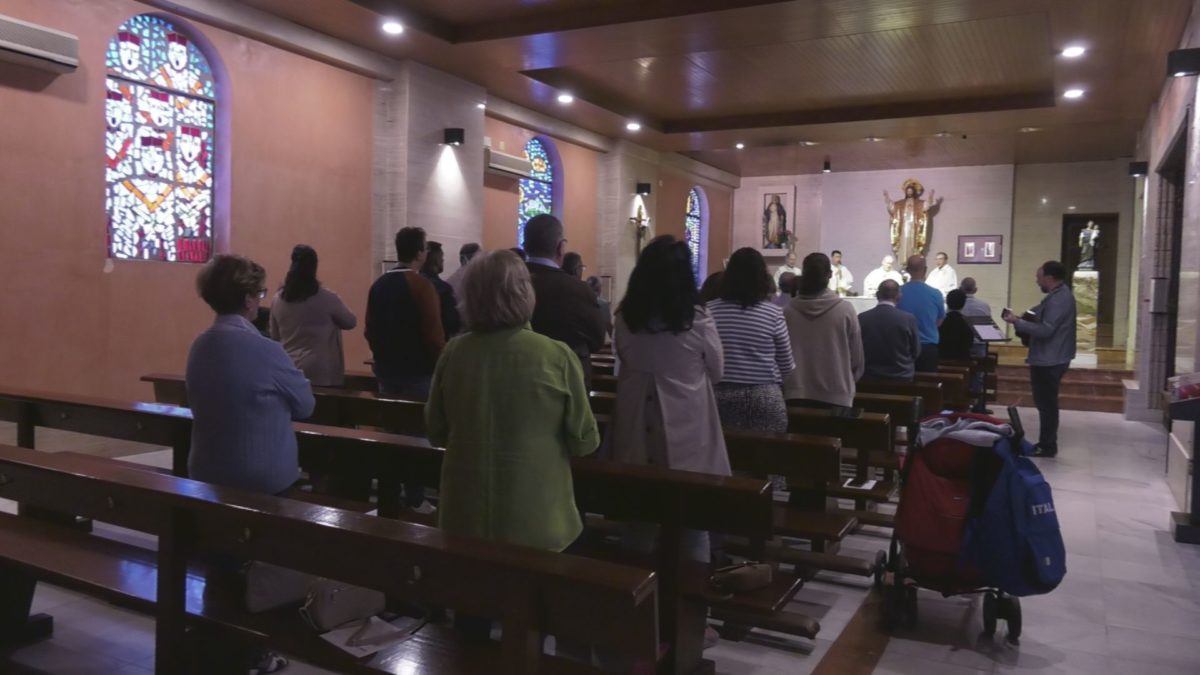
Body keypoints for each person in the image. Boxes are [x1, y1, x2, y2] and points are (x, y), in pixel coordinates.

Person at [425, 250, 599, 640]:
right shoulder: (556, 355)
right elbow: (585, 441)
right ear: (524, 294)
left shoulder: (454, 353)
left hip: (465, 516)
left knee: (471, 620)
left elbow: (435, 431)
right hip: (538, 521)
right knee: (529, 625)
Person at [187, 254, 315, 675]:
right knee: (266, 574)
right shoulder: (264, 350)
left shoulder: (200, 345)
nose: (260, 301)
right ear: (246, 298)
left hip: (209, 472)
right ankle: (255, 651)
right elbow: (307, 405)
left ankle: (213, 647)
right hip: (262, 478)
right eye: (259, 294)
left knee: (220, 566)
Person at [607, 235, 728, 561]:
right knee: (692, 522)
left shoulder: (625, 319)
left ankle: (634, 594)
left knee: (638, 520)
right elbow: (717, 371)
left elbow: (625, 358)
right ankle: (690, 599)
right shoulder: (698, 320)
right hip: (688, 423)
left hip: (636, 421)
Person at [706, 247, 795, 433]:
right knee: (764, 457)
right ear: (762, 277)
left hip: (719, 397)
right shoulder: (773, 313)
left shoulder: (709, 311)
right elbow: (787, 365)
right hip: (764, 398)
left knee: (727, 457)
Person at [1002, 261, 1077, 458]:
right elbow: (1040, 317)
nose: (1037, 281)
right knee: (1045, 403)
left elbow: (1046, 330)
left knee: (1046, 404)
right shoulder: (1056, 297)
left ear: (1050, 278)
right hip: (1050, 356)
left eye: (1039, 277)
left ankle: (1047, 445)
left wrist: (1017, 322)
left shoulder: (1060, 299)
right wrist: (1023, 319)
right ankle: (1047, 443)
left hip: (1050, 359)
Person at [524, 214, 606, 385]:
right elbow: (597, 339)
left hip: (517, 379)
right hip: (567, 381)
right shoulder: (578, 290)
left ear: (525, 247)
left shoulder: (508, 283)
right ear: (561, 248)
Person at [365, 227, 445, 400]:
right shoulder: (422, 286)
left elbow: (370, 330)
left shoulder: (378, 285)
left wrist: (381, 357)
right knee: (415, 423)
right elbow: (433, 334)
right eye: (425, 249)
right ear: (418, 254)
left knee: (390, 422)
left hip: (386, 370)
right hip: (417, 373)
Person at [268, 244, 358, 387]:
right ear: (314, 268)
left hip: (289, 367)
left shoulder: (277, 299)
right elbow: (351, 322)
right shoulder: (327, 298)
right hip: (320, 369)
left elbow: (274, 336)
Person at [783, 253, 864, 409]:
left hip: (795, 393)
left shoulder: (788, 311)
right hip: (837, 394)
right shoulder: (845, 310)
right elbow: (857, 359)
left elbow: (780, 357)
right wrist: (846, 381)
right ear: (830, 275)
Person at [858, 280, 920, 382]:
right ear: (898, 296)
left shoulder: (862, 318)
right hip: (901, 377)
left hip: (869, 376)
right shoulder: (908, 319)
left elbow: (856, 349)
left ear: (877, 295)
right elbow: (916, 351)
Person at [895, 254, 945, 373]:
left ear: (907, 270)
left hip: (902, 346)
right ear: (925, 269)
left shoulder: (897, 292)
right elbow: (939, 320)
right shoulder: (935, 294)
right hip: (927, 346)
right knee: (927, 385)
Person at [884, 178, 939, 263]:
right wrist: (887, 198)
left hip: (914, 227)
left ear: (913, 192)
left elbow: (926, 206)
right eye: (908, 191)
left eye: (911, 191)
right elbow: (892, 208)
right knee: (903, 243)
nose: (909, 192)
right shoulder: (900, 203)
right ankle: (904, 261)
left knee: (913, 244)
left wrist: (930, 197)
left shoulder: (919, 203)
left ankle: (913, 261)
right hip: (903, 227)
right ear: (906, 192)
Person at [421, 241, 463, 338]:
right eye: (442, 258)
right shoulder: (443, 289)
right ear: (436, 260)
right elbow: (452, 323)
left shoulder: (413, 284)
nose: (443, 261)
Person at [939, 289, 974, 361]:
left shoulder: (940, 322)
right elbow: (969, 344)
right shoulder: (967, 323)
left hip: (941, 359)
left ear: (947, 302)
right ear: (963, 304)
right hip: (962, 361)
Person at [586, 275, 613, 340]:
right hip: (596, 341)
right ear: (599, 288)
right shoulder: (602, 304)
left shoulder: (581, 301)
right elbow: (608, 325)